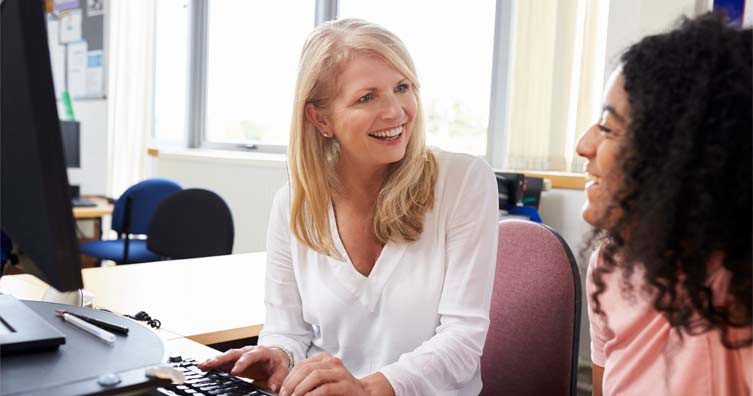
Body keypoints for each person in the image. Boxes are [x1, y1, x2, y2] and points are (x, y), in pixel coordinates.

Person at [199, 18, 498, 396]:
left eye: (402, 87)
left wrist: (368, 389)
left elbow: (463, 338)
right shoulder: (294, 203)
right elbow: (288, 329)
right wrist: (278, 354)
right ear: (321, 119)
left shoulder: (464, 181)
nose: (396, 112)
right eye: (367, 97)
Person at [576, 13, 752, 396]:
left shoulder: (736, 285)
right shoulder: (610, 264)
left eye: (607, 127)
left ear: (674, 156)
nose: (584, 146)